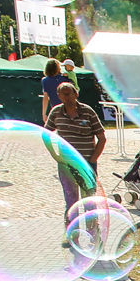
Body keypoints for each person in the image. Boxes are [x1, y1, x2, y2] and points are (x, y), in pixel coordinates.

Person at [44, 82, 106, 213]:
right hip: (66, 164)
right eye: (63, 95)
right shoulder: (56, 112)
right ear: (59, 96)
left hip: (86, 163)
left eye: (68, 94)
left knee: (89, 202)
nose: (66, 98)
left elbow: (102, 138)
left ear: (76, 94)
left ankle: (93, 231)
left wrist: (93, 160)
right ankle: (73, 231)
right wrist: (56, 155)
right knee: (71, 202)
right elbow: (46, 134)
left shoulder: (88, 112)